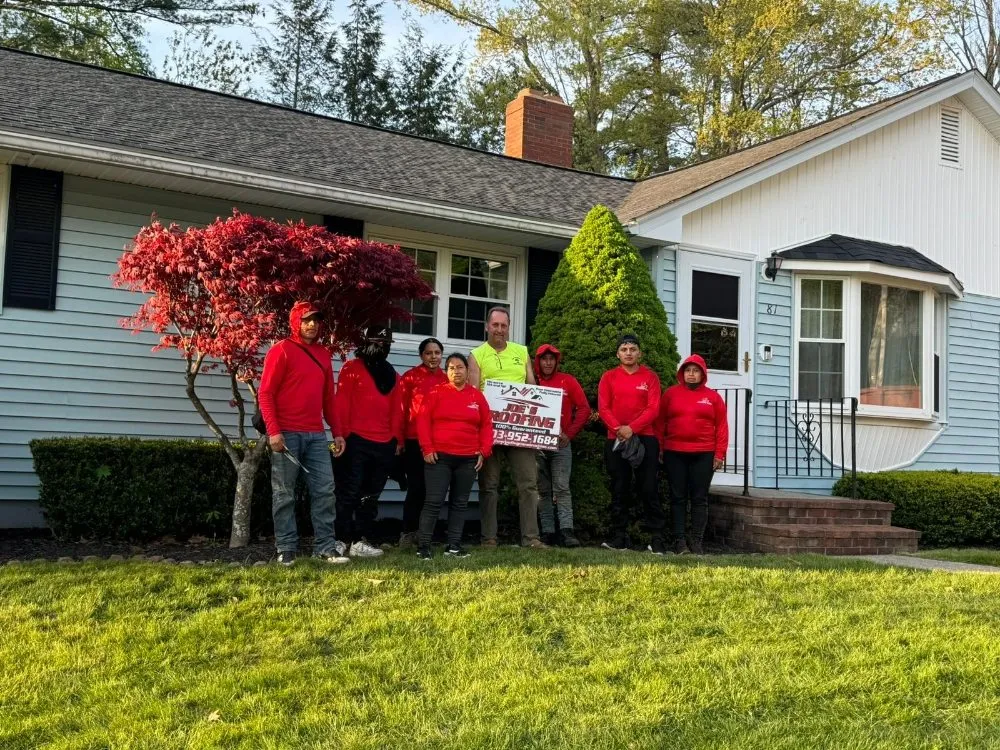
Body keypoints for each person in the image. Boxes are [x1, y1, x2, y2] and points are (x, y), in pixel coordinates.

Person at [258, 302, 348, 566]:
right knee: (284, 494)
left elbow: (328, 399)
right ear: (295, 321)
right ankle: (286, 548)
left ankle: (325, 548)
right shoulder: (281, 350)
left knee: (325, 491)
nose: (312, 325)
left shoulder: (323, 354)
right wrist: (274, 432)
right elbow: (266, 393)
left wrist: (337, 432)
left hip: (316, 436)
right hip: (286, 434)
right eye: (306, 320)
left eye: (316, 321)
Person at [468, 306, 546, 549]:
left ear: (509, 327)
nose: (499, 329)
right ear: (487, 327)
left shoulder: (521, 352)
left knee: (528, 483)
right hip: (489, 428)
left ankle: (531, 538)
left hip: (519, 428)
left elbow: (532, 387)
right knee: (489, 485)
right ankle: (489, 538)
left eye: (504, 325)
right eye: (495, 325)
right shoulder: (476, 355)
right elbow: (473, 393)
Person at [416, 353, 494, 559]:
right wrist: (427, 448)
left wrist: (484, 451)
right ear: (446, 371)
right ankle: (423, 547)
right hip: (439, 457)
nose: (456, 371)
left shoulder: (477, 396)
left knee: (460, 503)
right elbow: (422, 421)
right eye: (451, 368)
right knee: (433, 501)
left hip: (468, 458)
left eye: (460, 367)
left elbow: (487, 425)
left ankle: (453, 546)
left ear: (467, 371)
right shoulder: (435, 393)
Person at [334, 325, 402, 558]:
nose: (380, 347)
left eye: (385, 344)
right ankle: (341, 538)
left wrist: (396, 440)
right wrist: (341, 434)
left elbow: (397, 410)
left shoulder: (392, 374)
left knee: (370, 496)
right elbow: (341, 402)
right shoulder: (351, 368)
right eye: (376, 342)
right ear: (365, 343)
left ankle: (360, 540)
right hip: (355, 440)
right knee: (348, 492)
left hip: (384, 443)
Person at [597, 334, 667, 554]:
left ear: (639, 353)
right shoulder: (608, 377)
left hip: (645, 439)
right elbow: (603, 408)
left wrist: (632, 428)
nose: (628, 353)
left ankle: (657, 539)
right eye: (624, 349)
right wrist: (619, 428)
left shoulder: (650, 377)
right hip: (616, 438)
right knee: (619, 488)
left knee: (649, 488)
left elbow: (653, 409)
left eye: (633, 349)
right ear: (617, 354)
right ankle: (619, 538)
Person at [657, 354, 729, 555]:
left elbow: (722, 427)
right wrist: (660, 448)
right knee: (677, 497)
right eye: (687, 370)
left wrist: (720, 454)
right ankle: (679, 541)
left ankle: (696, 541)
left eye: (695, 371)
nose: (691, 374)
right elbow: (660, 423)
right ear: (682, 373)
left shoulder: (713, 398)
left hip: (704, 454)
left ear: (702, 374)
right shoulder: (670, 394)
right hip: (674, 452)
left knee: (699, 498)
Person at [533, 344, 591, 547]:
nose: (548, 363)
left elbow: (584, 408)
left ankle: (567, 531)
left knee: (562, 487)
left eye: (552, 359)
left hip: (561, 444)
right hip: (537, 444)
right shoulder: (532, 382)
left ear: (557, 361)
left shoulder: (568, 381)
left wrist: (570, 434)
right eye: (544, 359)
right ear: (538, 361)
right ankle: (548, 532)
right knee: (542, 490)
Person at [397, 337, 447, 548]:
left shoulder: (447, 379)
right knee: (416, 487)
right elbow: (400, 410)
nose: (433, 357)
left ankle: (427, 533)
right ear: (421, 355)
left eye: (437, 353)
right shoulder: (410, 377)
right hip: (414, 441)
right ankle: (408, 533)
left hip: (439, 443)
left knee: (433, 491)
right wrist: (399, 439)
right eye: (428, 353)